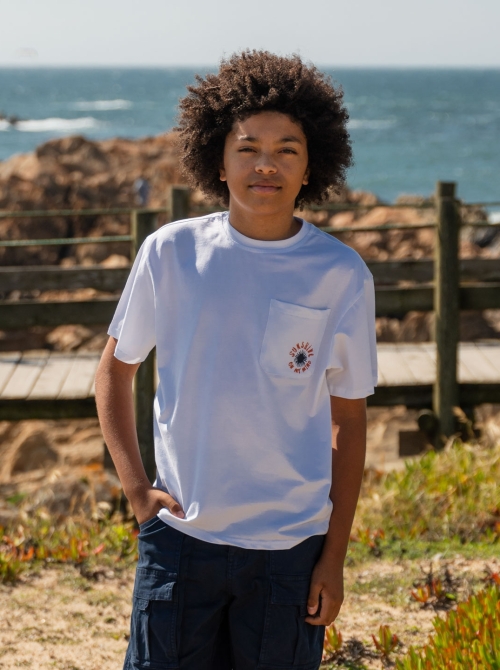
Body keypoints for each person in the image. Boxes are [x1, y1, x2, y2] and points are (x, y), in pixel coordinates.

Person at [95, 50, 377, 670]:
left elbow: (349, 420)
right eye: (247, 148)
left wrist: (333, 556)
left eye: (287, 150)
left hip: (291, 550)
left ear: (312, 166)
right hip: (180, 540)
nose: (265, 165)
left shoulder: (341, 274)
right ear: (218, 162)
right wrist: (138, 491)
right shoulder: (171, 251)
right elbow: (114, 371)